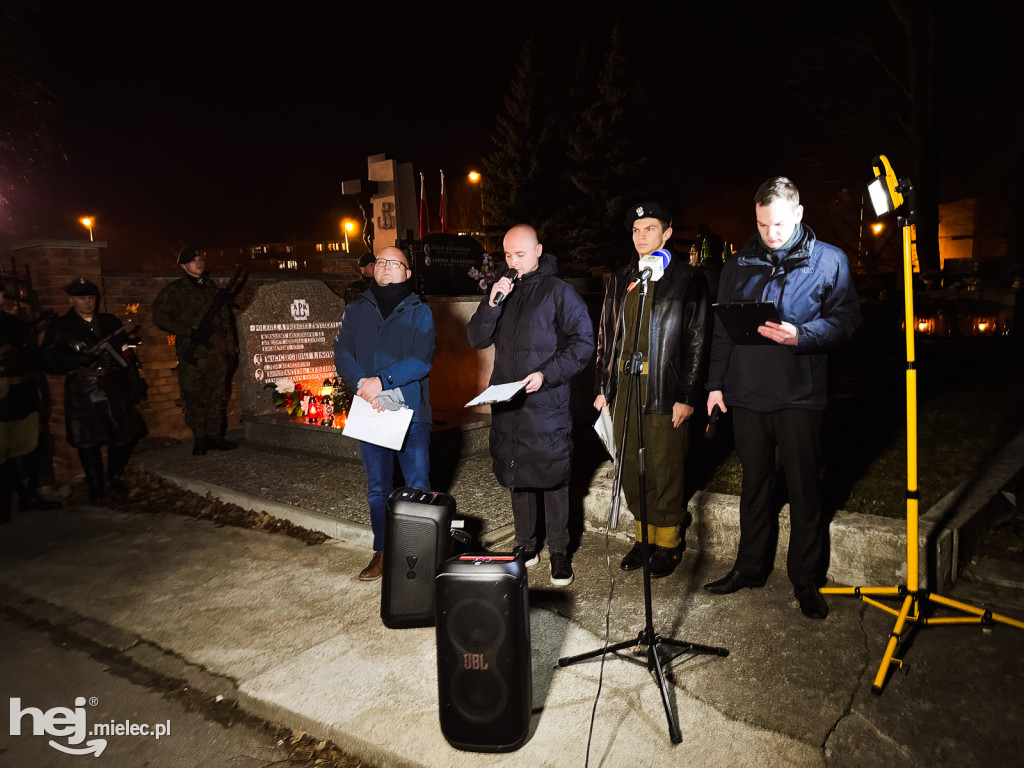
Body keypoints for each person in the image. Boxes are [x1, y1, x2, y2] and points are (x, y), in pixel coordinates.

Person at [703, 176, 861, 620]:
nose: (769, 234)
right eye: (761, 224)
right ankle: (749, 567)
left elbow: (848, 322)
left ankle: (805, 579)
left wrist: (802, 335)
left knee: (805, 489)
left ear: (798, 214)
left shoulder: (830, 261)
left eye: (777, 225)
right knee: (753, 486)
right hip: (748, 394)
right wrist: (716, 385)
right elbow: (722, 330)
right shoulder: (738, 263)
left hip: (800, 395)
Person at [467, 224, 595, 587]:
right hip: (508, 403)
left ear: (539, 250)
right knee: (517, 471)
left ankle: (559, 551)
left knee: (553, 475)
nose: (513, 262)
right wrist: (493, 302)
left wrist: (547, 374)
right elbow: (477, 337)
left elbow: (583, 343)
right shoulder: (502, 290)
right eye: (507, 255)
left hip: (546, 401)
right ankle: (526, 545)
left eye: (520, 254)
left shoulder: (559, 292)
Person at [594, 201, 711, 578]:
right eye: (636, 230)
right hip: (625, 386)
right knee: (631, 466)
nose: (641, 236)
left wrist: (688, 396)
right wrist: (603, 387)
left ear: (667, 232)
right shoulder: (621, 277)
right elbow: (606, 337)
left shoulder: (688, 279)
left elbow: (697, 341)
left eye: (649, 229)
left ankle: (668, 541)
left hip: (664, 386)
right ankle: (643, 538)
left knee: (664, 466)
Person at [334, 246, 435, 581]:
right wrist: (363, 383)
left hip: (409, 410)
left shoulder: (420, 311)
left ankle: (419, 554)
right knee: (378, 488)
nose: (386, 267)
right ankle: (382, 551)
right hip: (370, 408)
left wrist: (383, 381)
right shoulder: (356, 309)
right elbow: (342, 351)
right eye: (381, 261)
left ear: (407, 273)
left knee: (417, 485)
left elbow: (421, 359)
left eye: (395, 263)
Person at [38, 278, 147, 501]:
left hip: (113, 385)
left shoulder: (109, 321)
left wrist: (134, 382)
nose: (87, 303)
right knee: (88, 440)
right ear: (71, 300)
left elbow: (126, 352)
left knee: (123, 435)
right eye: (81, 298)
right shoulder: (61, 326)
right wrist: (77, 359)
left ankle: (115, 477)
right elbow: (47, 360)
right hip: (83, 389)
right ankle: (95, 485)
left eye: (91, 298)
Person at [153, 247, 239, 456]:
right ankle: (200, 438)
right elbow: (160, 317)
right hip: (193, 355)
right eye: (193, 260)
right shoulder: (175, 290)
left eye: (200, 259)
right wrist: (188, 332)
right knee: (194, 396)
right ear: (183, 265)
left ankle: (215, 436)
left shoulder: (212, 289)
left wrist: (230, 351)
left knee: (217, 396)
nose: (199, 262)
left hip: (217, 354)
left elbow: (226, 322)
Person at [0, 281, 61, 518]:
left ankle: (29, 496)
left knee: (26, 448)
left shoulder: (16, 324)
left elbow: (34, 361)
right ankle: (3, 504)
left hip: (22, 393)